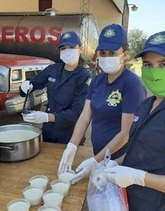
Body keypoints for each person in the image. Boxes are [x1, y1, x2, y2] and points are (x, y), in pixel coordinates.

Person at [86, 31, 165, 211]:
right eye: (148, 64)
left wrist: (140, 178)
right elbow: (138, 148)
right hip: (127, 210)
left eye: (164, 64)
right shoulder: (148, 103)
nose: (154, 70)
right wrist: (111, 166)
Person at [57, 24, 146, 184]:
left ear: (125, 54)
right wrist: (71, 145)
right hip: (100, 154)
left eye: (112, 53)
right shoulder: (97, 80)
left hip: (119, 160)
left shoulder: (132, 84)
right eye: (103, 53)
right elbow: (85, 116)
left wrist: (93, 161)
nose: (106, 57)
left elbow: (125, 133)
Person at [20, 31, 90, 144]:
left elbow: (77, 113)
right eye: (63, 48)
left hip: (70, 136)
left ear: (80, 49)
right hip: (48, 132)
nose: (67, 51)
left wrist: (47, 117)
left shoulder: (84, 77)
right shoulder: (53, 69)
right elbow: (33, 84)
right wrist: (25, 86)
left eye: (71, 47)